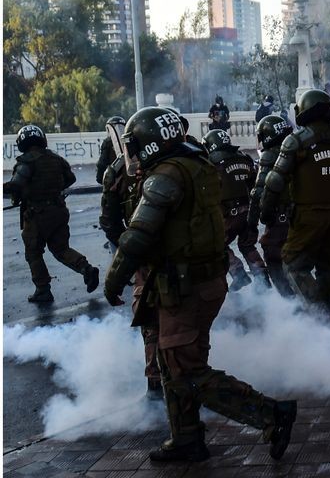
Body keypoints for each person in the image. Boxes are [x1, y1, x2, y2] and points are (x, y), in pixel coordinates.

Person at [103, 106, 296, 462]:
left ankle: (271, 414)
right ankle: (187, 438)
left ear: (150, 142)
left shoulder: (166, 175)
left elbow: (138, 235)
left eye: (135, 145)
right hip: (199, 281)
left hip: (185, 287)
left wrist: (114, 280)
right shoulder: (197, 163)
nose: (132, 153)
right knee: (172, 363)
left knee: (187, 371)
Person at [260, 89, 330, 322]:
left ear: (304, 110)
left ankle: (319, 317)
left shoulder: (296, 141)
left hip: (307, 217)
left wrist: (265, 212)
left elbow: (274, 181)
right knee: (328, 268)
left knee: (293, 265)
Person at [4, 126, 100, 303]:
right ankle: (86, 269)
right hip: (59, 210)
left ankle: (43, 290)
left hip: (37, 215)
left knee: (33, 252)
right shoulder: (55, 158)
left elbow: (16, 185)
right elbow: (71, 178)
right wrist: (52, 190)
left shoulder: (26, 162)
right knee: (61, 249)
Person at [100, 150, 161, 397]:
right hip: (186, 254)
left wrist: (128, 255)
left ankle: (159, 383)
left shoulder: (118, 171)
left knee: (150, 314)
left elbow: (111, 223)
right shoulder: (185, 159)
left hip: (148, 255)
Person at [203, 129, 270, 290]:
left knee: (218, 246)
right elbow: (255, 184)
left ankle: (238, 273)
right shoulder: (244, 158)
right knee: (247, 245)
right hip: (249, 212)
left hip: (228, 215)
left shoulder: (211, 163)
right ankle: (262, 277)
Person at [248, 115, 296, 297]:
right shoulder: (298, 146)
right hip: (304, 212)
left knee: (272, 253)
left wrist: (253, 221)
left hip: (282, 215)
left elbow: (259, 191)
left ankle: (290, 301)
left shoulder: (270, 154)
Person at [96, 116, 127, 184]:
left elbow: (102, 163)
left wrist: (99, 178)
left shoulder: (107, 142)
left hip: (114, 177)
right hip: (127, 173)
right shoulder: (127, 139)